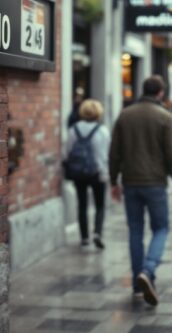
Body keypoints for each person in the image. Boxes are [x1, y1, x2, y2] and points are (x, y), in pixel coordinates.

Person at [109, 75, 172, 306]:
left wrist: (114, 180)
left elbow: (114, 152)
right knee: (160, 228)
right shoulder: (165, 117)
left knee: (135, 231)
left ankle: (136, 283)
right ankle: (148, 271)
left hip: (131, 182)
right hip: (155, 183)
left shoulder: (125, 115)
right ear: (160, 92)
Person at [65, 99, 110, 248]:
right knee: (100, 205)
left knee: (82, 204)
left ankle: (84, 237)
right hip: (97, 172)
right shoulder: (103, 131)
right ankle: (97, 232)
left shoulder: (73, 130)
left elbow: (67, 152)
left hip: (79, 172)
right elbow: (106, 154)